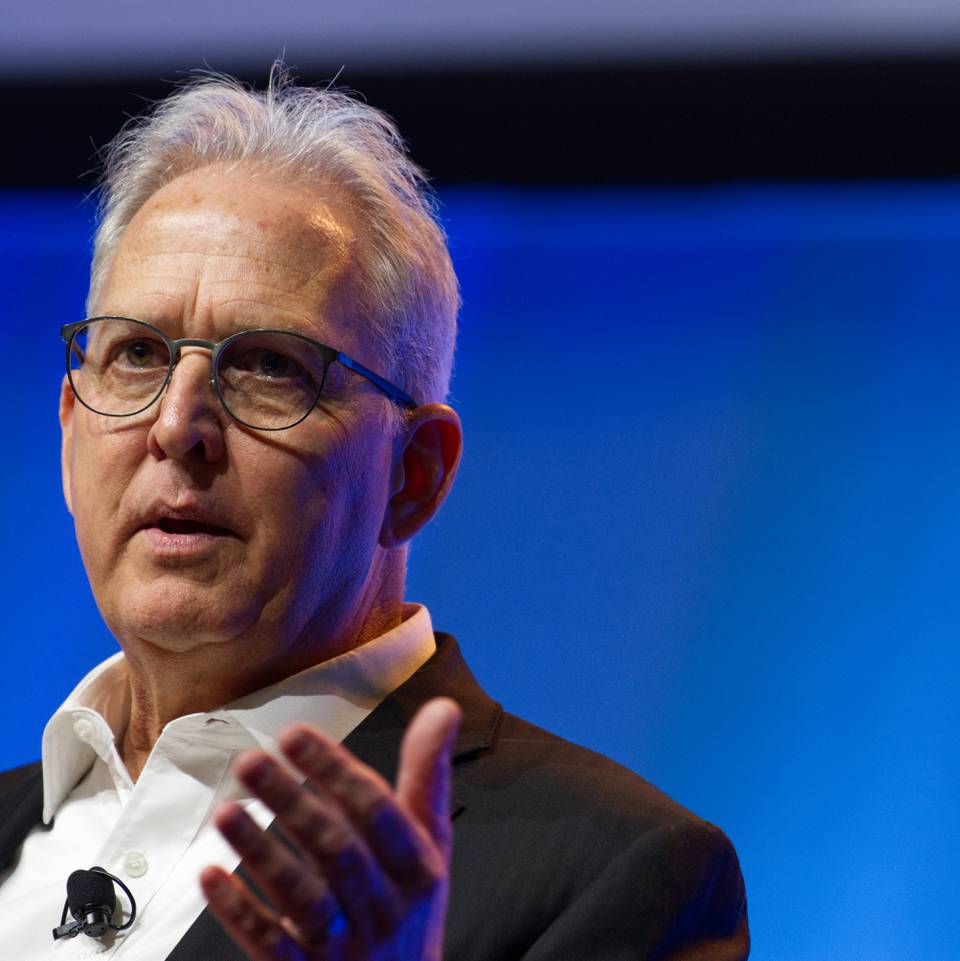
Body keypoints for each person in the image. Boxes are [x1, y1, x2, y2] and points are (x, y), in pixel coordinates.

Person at [0, 68, 748, 960]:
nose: (177, 425)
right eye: (135, 353)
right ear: (71, 427)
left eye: (270, 366)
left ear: (413, 474)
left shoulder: (617, 875)